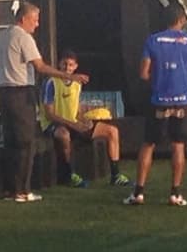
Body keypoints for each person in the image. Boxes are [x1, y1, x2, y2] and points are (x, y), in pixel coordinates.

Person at [0, 3, 89, 203]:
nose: (36, 25)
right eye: (35, 20)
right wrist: (67, 75)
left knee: (10, 141)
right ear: (24, 18)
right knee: (26, 141)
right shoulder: (23, 38)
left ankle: (10, 189)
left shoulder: (0, 37)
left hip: (4, 92)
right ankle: (23, 191)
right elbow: (40, 66)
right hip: (21, 93)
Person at [124, 4, 187, 207]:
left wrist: (158, 82)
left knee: (149, 143)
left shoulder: (153, 40)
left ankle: (139, 192)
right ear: (181, 20)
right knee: (178, 145)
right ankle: (175, 193)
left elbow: (143, 74)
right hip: (182, 100)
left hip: (158, 100)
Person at [39, 49, 130, 188]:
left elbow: (76, 107)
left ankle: (115, 175)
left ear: (75, 67)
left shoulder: (77, 84)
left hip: (72, 122)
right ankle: (69, 175)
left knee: (112, 131)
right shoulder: (51, 82)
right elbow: (49, 114)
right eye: (64, 64)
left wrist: (84, 119)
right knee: (63, 134)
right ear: (59, 64)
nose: (67, 68)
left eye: (70, 65)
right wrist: (73, 124)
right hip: (54, 124)